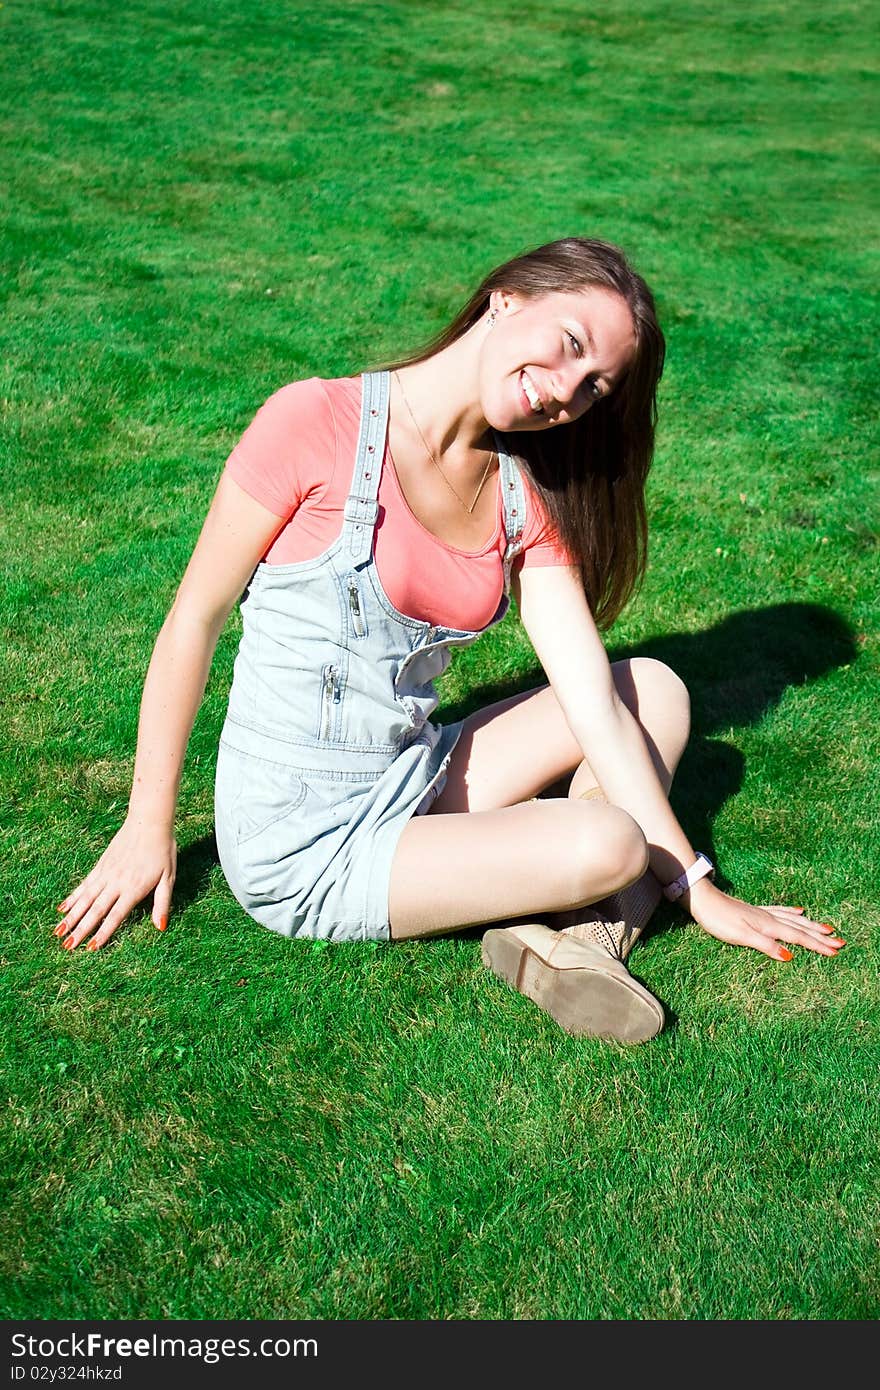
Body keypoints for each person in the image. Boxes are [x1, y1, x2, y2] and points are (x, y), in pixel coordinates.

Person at [54, 237, 844, 1042]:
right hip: (303, 839)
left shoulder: (519, 497)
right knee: (611, 841)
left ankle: (580, 944)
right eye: (569, 345)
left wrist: (697, 887)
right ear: (507, 298)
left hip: (412, 771)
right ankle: (591, 906)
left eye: (594, 385)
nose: (566, 391)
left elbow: (595, 707)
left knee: (656, 690)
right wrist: (146, 825)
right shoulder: (315, 421)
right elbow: (195, 618)